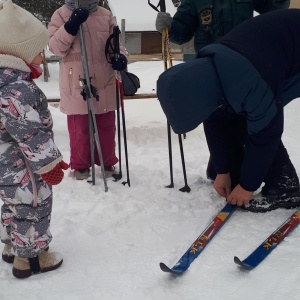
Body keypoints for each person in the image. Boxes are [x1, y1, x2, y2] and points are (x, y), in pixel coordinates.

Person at [157, 9, 300, 212]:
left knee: (257, 120)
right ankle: (237, 168)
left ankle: (285, 188)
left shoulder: (249, 81)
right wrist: (223, 169)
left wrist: (248, 186)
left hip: (283, 57)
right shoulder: (208, 75)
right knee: (233, 114)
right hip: (273, 53)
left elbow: (266, 132)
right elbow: (215, 120)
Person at [0, 0, 69, 278]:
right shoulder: (18, 88)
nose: (42, 56)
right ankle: (30, 259)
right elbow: (29, 133)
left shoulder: (4, 81)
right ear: (20, 51)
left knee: (12, 205)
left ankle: (10, 246)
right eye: (37, 51)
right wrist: (50, 164)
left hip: (6, 167)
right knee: (33, 205)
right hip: (24, 166)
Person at [48, 0, 127, 180]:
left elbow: (115, 44)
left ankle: (107, 162)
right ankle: (80, 165)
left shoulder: (105, 15)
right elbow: (55, 48)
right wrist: (71, 25)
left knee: (106, 124)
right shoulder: (61, 14)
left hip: (103, 77)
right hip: (76, 79)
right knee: (80, 127)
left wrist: (120, 56)